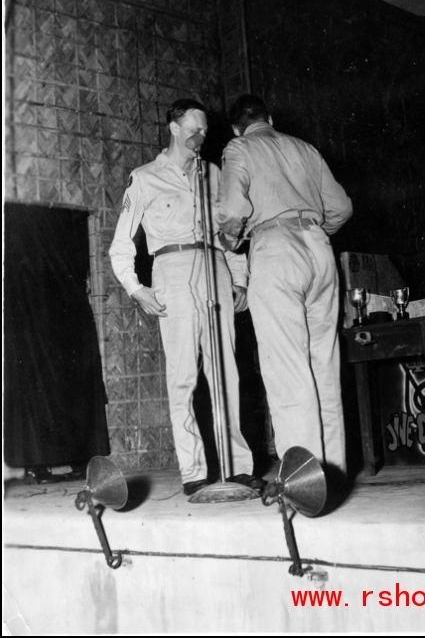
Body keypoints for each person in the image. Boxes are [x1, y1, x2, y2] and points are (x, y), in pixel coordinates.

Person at [109, 99, 265, 495]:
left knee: (226, 371)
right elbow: (120, 246)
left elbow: (231, 234)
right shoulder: (144, 178)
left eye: (205, 131)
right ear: (174, 128)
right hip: (172, 272)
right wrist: (135, 288)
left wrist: (240, 278)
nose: (200, 136)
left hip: (215, 268)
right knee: (182, 379)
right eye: (194, 129)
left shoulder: (215, 174)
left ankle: (237, 467)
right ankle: (195, 473)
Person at [215, 94, 353, 475]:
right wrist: (310, 231)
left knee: (288, 370)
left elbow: (230, 213)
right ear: (270, 118)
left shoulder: (239, 147)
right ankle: (334, 471)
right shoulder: (305, 148)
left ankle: (304, 481)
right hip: (319, 249)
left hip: (275, 251)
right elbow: (341, 207)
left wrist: (232, 242)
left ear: (235, 126)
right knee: (323, 365)